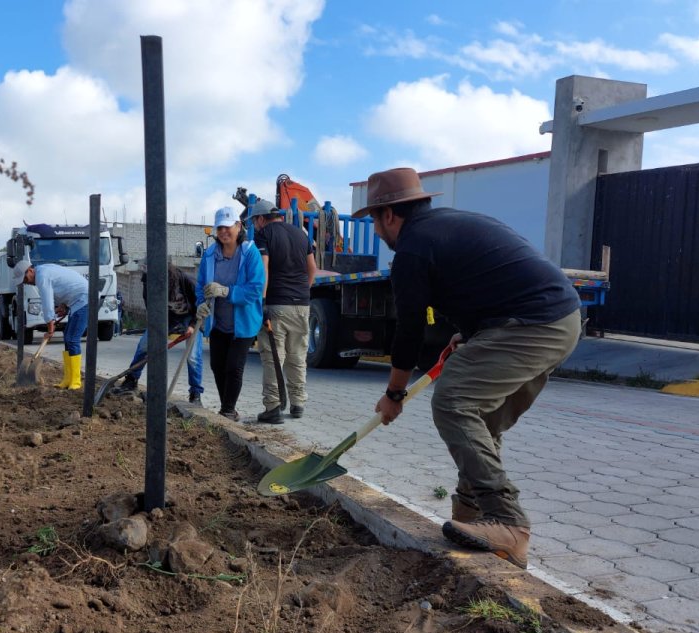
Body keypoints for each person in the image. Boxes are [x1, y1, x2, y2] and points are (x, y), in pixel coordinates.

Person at [358, 167, 582, 569]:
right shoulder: (448, 225)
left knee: (453, 402)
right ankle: (473, 516)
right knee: (484, 418)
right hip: (560, 320)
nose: (376, 231)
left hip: (532, 324)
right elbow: (487, 279)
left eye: (374, 221)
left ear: (388, 214)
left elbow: (408, 330)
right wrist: (473, 332)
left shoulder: (412, 248)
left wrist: (394, 394)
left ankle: (509, 522)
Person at [249, 199, 317, 423]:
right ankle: (298, 404)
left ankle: (273, 407)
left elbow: (264, 269)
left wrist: (263, 301)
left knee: (273, 357)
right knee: (297, 356)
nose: (255, 226)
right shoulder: (301, 234)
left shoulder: (264, 235)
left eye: (254, 221)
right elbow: (312, 268)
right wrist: (301, 292)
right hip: (301, 305)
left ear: (261, 219)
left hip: (276, 304)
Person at [195, 206, 265, 421]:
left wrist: (226, 291)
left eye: (228, 227)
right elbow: (200, 285)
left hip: (242, 323)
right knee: (217, 365)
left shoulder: (249, 252)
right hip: (218, 321)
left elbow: (255, 288)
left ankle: (227, 410)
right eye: (220, 228)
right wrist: (200, 304)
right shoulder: (210, 255)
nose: (224, 232)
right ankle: (228, 407)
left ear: (238, 226)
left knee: (234, 367)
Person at [112, 263, 204, 405]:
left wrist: (192, 325)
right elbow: (151, 309)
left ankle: (195, 394)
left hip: (191, 318)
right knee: (144, 344)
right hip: (166, 318)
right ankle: (131, 380)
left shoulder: (187, 282)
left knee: (193, 357)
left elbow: (201, 307)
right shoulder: (148, 284)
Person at [12, 260, 90, 390]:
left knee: (72, 339)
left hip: (85, 299)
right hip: (77, 300)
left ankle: (75, 381)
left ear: (30, 271)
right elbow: (66, 286)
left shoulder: (42, 276)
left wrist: (50, 328)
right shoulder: (44, 270)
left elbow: (47, 303)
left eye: (25, 278)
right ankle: (67, 379)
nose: (26, 282)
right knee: (68, 339)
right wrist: (64, 305)